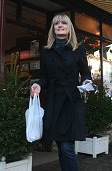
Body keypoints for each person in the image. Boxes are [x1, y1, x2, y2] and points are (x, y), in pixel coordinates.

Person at [31, 13, 92, 171]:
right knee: (60, 145)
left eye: (63, 23)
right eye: (56, 23)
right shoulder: (46, 51)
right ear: (53, 28)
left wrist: (86, 82)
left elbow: (85, 73)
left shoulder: (78, 50)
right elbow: (44, 76)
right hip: (53, 102)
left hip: (71, 101)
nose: (60, 25)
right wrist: (38, 85)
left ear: (68, 27)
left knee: (66, 147)